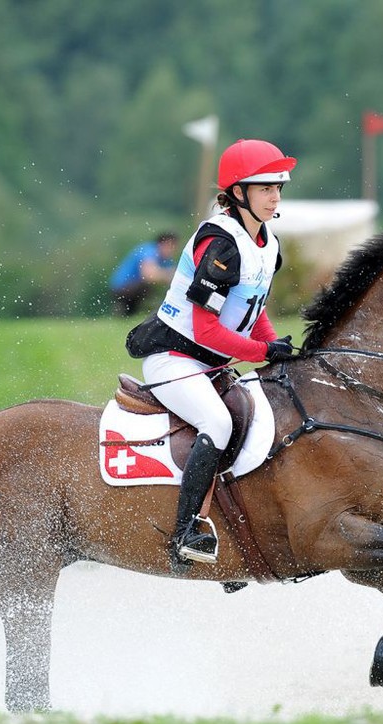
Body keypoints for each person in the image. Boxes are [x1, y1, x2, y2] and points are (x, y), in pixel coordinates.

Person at [125, 139, 297, 568]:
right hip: (175, 359)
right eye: (264, 188)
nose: (275, 196)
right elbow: (206, 328)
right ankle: (185, 533)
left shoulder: (267, 243)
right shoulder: (219, 243)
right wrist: (262, 350)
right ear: (238, 192)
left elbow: (254, 312)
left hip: (213, 363)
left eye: (278, 187)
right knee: (218, 423)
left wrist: (276, 349)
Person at [110, 232, 180, 316]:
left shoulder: (165, 260)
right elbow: (149, 275)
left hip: (133, 287)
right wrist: (168, 275)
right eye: (171, 246)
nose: (172, 250)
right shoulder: (149, 250)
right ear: (163, 243)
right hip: (122, 288)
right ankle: (150, 309)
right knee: (146, 286)